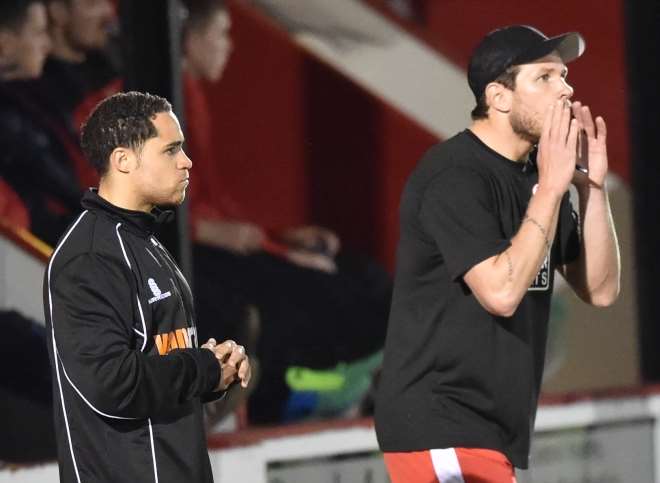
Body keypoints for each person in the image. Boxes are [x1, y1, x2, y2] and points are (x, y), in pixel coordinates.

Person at [375, 25, 620, 481]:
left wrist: (592, 189)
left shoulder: (533, 177)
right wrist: (551, 186)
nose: (566, 90)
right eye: (545, 78)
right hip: (441, 422)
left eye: (564, 76)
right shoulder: (454, 176)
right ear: (499, 97)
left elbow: (602, 290)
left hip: (489, 430)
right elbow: (501, 293)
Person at [181, 0, 391, 424]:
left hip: (220, 246)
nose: (229, 46)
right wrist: (259, 244)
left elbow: (218, 208)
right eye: (221, 34)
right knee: (352, 294)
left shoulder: (190, 97)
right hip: (198, 256)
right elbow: (195, 220)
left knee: (364, 276)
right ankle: (317, 393)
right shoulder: (160, 103)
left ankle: (350, 387)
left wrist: (281, 236)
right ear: (189, 37)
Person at [44, 91, 252, 483]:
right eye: (171, 149)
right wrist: (203, 369)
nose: (187, 161)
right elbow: (112, 384)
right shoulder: (89, 259)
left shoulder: (143, 241)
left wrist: (214, 369)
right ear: (123, 160)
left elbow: (156, 360)